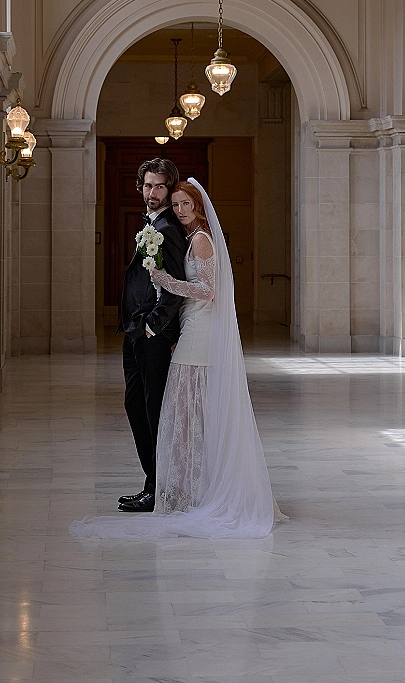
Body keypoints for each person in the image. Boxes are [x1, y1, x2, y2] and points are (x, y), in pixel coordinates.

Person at [70, 178, 282, 538]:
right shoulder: (188, 237)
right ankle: (188, 487)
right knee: (185, 410)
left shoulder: (200, 239)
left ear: (198, 206)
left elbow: (209, 291)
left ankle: (187, 490)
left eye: (186, 204)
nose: (181, 211)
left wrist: (164, 282)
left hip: (200, 331)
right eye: (178, 205)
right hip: (190, 327)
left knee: (183, 410)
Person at [116, 158, 187, 513]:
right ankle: (152, 483)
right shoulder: (150, 224)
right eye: (147, 185)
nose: (152, 192)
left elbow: (174, 287)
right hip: (134, 333)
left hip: (151, 336)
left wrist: (151, 326)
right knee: (136, 405)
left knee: (153, 410)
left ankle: (158, 488)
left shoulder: (169, 229)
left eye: (159, 186)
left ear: (169, 189)